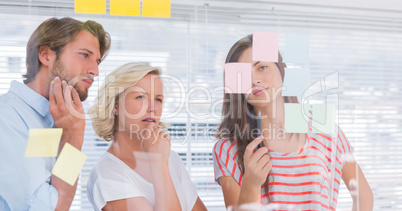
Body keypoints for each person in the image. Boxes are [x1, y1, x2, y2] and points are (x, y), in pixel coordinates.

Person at [213, 35, 373, 210]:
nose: (255, 80)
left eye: (262, 67)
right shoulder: (227, 148)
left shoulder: (323, 124)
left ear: (281, 70)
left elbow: (363, 196)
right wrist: (251, 185)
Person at [0, 17, 111, 210]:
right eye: (85, 55)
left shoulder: (52, 119)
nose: (95, 71)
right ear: (46, 56)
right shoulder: (7, 118)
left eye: (98, 61)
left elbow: (54, 194)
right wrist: (74, 138)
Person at [87, 62, 207, 211]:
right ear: (115, 105)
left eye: (158, 99)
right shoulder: (106, 174)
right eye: (140, 97)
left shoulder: (171, 159)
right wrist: (158, 163)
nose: (153, 108)